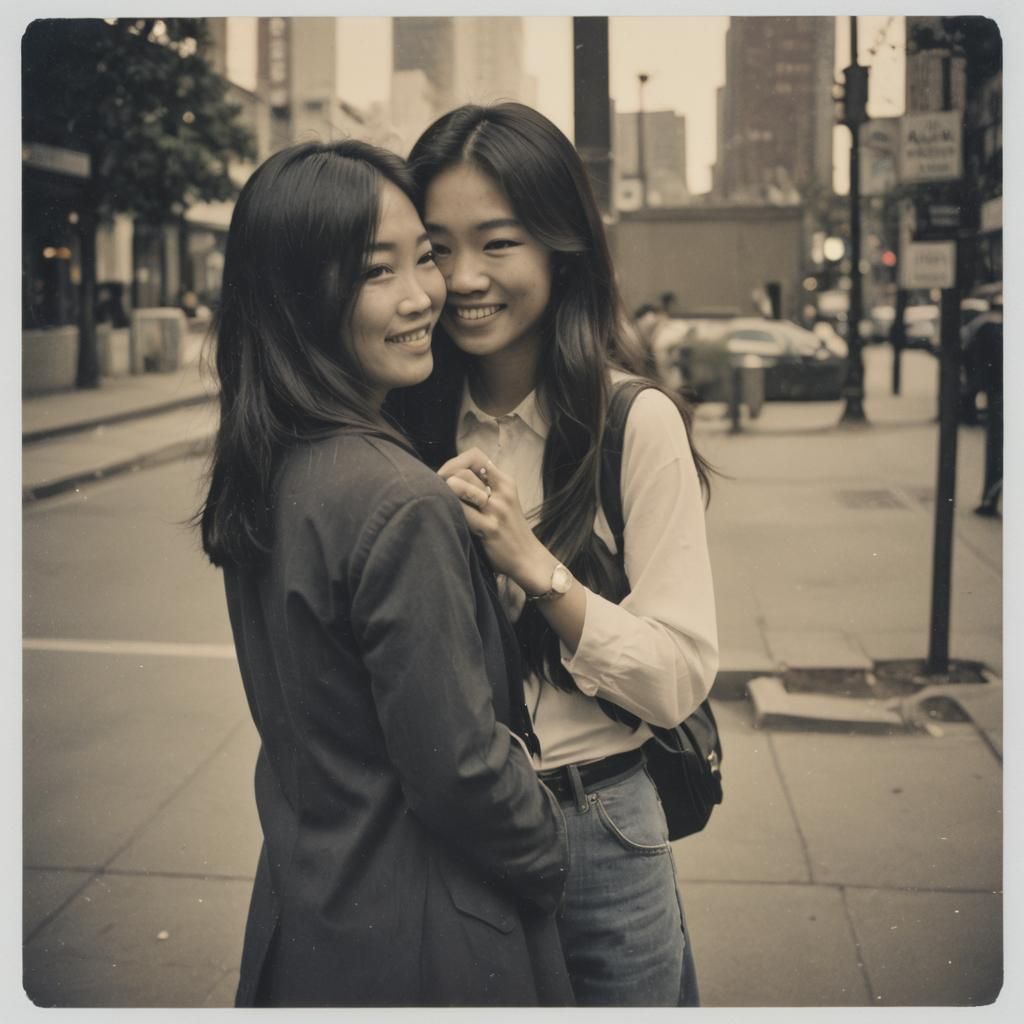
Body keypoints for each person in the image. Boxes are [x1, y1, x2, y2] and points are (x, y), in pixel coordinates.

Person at [197, 140, 573, 1007]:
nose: (423, 296)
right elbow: (462, 772)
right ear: (299, 298)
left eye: (423, 258)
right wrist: (551, 856)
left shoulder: (274, 467)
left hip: (317, 915)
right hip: (432, 946)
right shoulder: (396, 499)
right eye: (377, 272)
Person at [397, 103, 719, 1007]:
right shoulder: (400, 425)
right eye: (435, 247)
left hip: (600, 822)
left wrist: (533, 564)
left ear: (559, 245)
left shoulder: (631, 423)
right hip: (446, 831)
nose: (462, 279)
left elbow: (677, 678)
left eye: (497, 244)